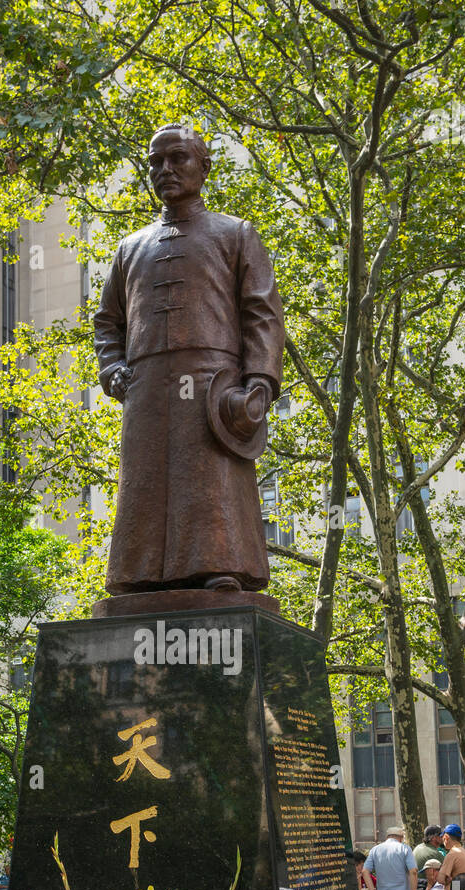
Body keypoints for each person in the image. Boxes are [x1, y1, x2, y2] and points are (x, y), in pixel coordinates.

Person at [94, 124, 285, 596]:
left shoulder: (235, 233)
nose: (165, 170)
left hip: (212, 387)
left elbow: (262, 312)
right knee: (143, 482)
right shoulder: (129, 248)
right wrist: (112, 366)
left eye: (178, 159)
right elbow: (107, 321)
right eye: (156, 162)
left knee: (211, 483)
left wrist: (260, 380)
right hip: (146, 388)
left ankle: (222, 566)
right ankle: (138, 574)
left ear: (204, 167)